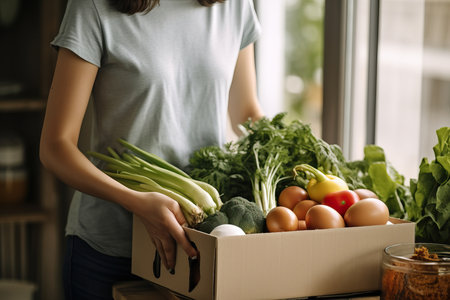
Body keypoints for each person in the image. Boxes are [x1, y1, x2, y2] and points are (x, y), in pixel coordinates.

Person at [39, 0, 264, 299]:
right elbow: (55, 146)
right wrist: (135, 201)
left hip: (200, 243)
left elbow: (245, 112)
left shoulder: (233, 4)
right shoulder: (92, 6)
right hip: (112, 250)